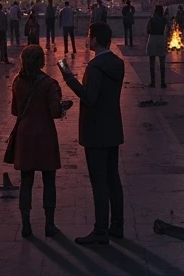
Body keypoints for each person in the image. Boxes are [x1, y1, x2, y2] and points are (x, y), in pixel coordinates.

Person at [57, 22, 125, 245]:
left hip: (95, 129)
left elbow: (90, 98)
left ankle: (100, 230)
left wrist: (68, 77)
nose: (87, 39)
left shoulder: (95, 67)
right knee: (113, 178)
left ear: (95, 40)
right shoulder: (117, 63)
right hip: (113, 126)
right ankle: (117, 226)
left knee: (99, 182)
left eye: (88, 35)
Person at [9, 43, 67, 239]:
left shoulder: (17, 82)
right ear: (41, 61)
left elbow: (15, 111)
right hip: (44, 135)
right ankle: (49, 225)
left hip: (25, 135)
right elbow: (55, 113)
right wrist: (63, 106)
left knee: (26, 181)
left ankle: (26, 225)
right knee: (49, 180)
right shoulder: (49, 84)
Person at [144, 4, 168, 88]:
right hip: (161, 39)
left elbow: (148, 30)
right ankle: (163, 82)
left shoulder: (151, 19)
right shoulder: (164, 19)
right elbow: (168, 30)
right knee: (162, 62)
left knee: (152, 62)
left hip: (152, 39)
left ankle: (153, 82)